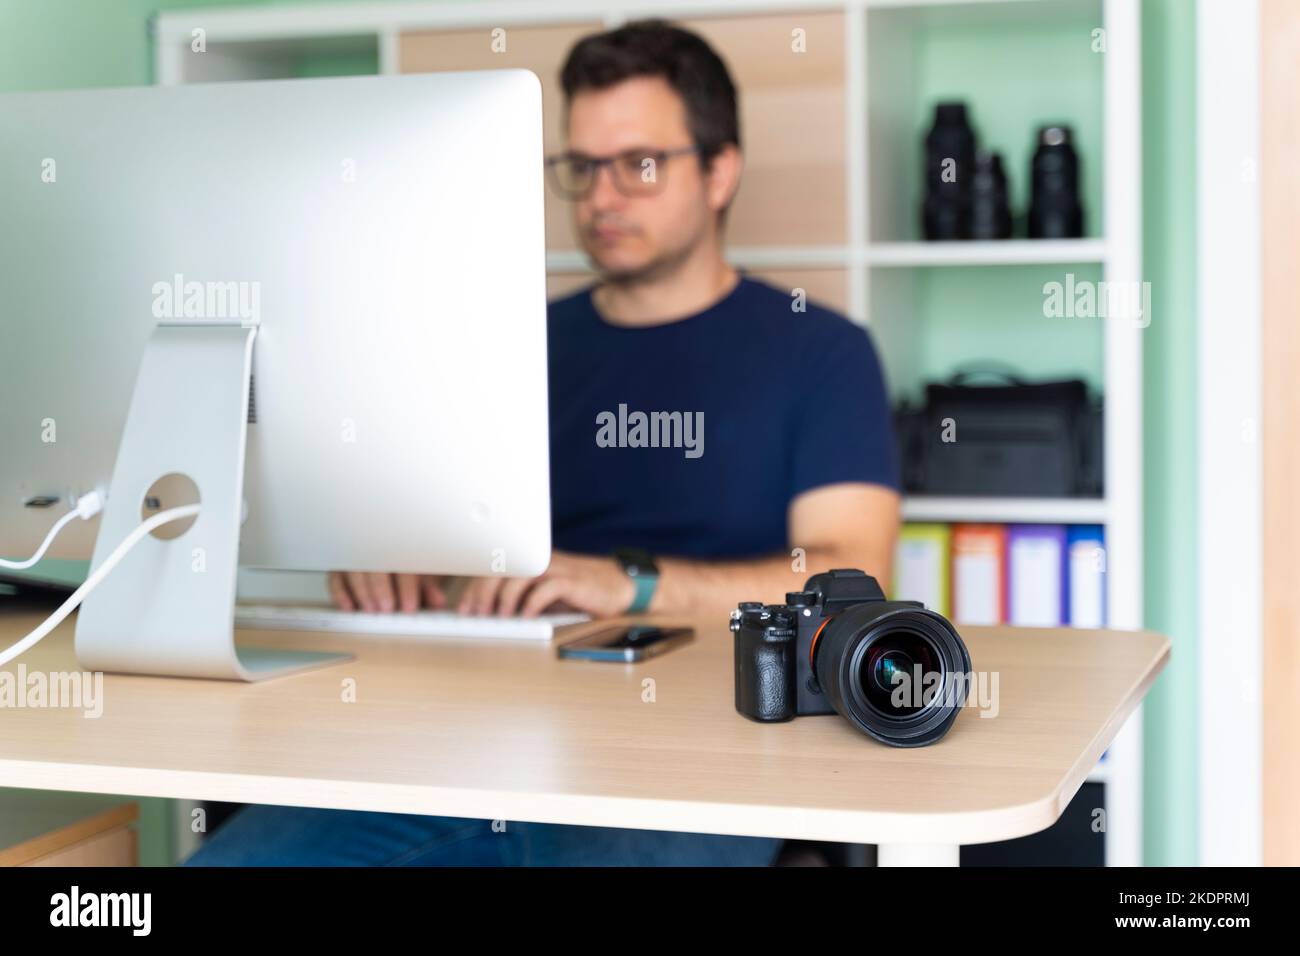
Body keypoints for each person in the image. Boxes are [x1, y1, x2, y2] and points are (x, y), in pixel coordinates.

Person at [186, 18, 899, 867]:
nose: (601, 197)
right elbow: (441, 533)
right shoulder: (505, 343)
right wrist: (397, 561)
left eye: (638, 164)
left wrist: (626, 585)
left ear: (719, 172)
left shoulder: (821, 351)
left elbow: (854, 570)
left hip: (714, 733)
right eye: (581, 167)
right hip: (482, 720)